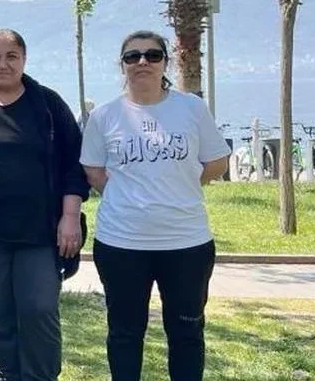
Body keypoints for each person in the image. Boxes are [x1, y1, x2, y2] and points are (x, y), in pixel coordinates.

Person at [81, 31, 231, 381]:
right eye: (132, 57)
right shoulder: (105, 116)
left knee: (187, 334)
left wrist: (179, 188)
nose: (142, 62)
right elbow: (93, 169)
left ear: (166, 61)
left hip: (186, 244)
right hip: (121, 244)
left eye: (152, 55)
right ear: (123, 65)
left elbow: (217, 161)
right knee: (124, 333)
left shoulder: (191, 108)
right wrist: (127, 196)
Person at [0, 29, 89, 381]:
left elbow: (74, 164)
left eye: (11, 56)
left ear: (24, 60)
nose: (2, 64)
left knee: (38, 310)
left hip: (39, 233)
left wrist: (70, 217)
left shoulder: (47, 104)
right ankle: (7, 374)